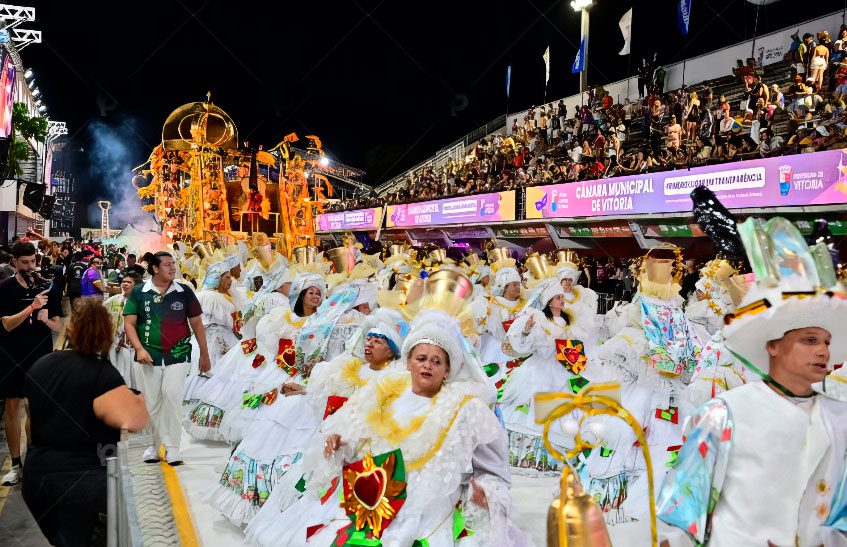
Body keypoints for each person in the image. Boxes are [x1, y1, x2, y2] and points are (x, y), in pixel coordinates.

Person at [658, 219, 847, 546]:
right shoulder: (724, 414)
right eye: (809, 340)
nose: (822, 351)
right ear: (772, 344)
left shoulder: (839, 418)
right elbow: (681, 513)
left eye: (827, 342)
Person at [21, 298, 148, 546]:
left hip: (37, 479)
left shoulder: (41, 366)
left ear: (71, 329)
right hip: (82, 481)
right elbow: (134, 420)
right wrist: (138, 400)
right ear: (106, 334)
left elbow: (29, 424)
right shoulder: (102, 374)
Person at [123, 251, 209, 465]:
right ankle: (154, 444)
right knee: (151, 402)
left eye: (174, 264)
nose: (173, 268)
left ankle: (172, 447)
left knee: (171, 396)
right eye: (168, 264)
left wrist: (204, 354)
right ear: (155, 268)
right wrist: (139, 349)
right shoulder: (138, 292)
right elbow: (129, 324)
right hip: (148, 356)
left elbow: (197, 323)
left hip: (178, 354)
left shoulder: (184, 291)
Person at [0, 241, 63, 486]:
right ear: (14, 262)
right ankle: (16, 464)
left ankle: (35, 460)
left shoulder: (47, 287)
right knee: (13, 407)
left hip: (41, 355)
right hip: (11, 355)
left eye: (32, 262)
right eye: (24, 262)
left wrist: (47, 320)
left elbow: (59, 326)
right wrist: (31, 308)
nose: (29, 266)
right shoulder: (5, 288)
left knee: (36, 407)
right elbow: (6, 324)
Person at [103, 272, 143, 387]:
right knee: (115, 372)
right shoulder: (112, 300)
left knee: (131, 375)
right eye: (124, 282)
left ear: (136, 286)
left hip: (131, 346)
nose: (125, 284)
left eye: (129, 282)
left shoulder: (141, 303)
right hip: (113, 343)